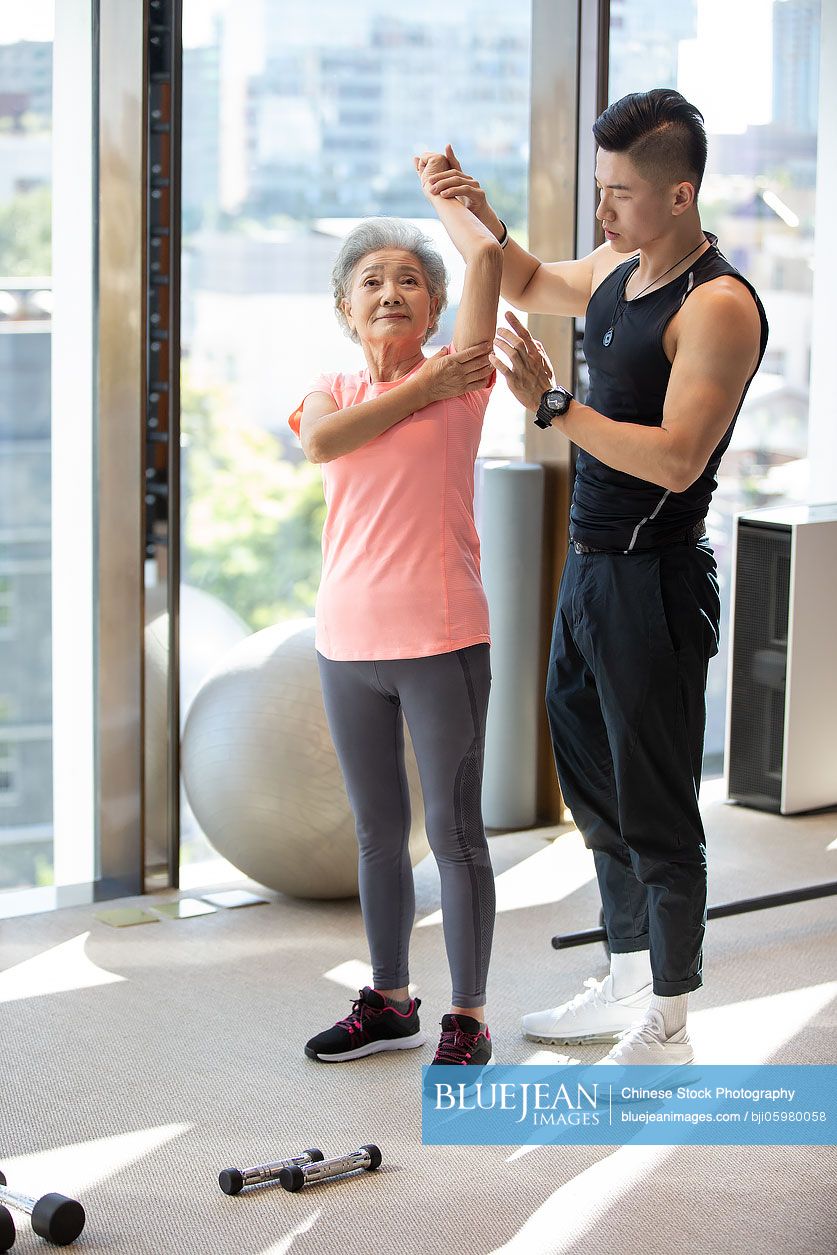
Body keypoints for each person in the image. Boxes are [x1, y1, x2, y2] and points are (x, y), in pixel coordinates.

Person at [421, 90, 768, 1065]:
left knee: (656, 800)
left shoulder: (720, 307)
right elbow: (531, 280)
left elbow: (675, 459)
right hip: (589, 567)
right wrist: (472, 210)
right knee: (594, 785)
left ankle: (673, 1013)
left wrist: (554, 406)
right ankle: (627, 978)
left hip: (655, 581)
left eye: (619, 193)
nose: (603, 212)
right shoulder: (620, 262)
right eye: (601, 190)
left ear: (681, 194)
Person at [288, 155, 503, 1069]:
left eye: (409, 280)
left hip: (440, 639)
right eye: (370, 280)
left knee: (453, 834)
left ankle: (468, 1013)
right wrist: (419, 389)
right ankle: (388, 999)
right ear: (345, 307)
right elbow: (323, 443)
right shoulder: (331, 393)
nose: (389, 291)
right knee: (378, 833)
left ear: (432, 307)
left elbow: (488, 267)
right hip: (346, 644)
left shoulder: (468, 377)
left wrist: (451, 204)